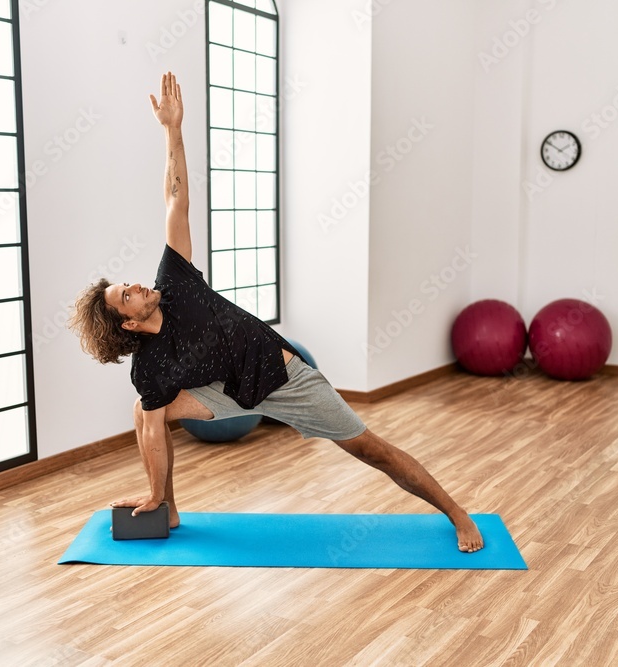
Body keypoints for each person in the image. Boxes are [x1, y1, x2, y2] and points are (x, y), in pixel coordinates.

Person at [68, 72, 483, 552]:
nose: (138, 285)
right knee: (146, 409)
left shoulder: (175, 283)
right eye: (127, 295)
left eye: (129, 284)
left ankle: (457, 515)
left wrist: (172, 130)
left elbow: (176, 200)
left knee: (373, 451)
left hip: (284, 378)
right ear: (131, 323)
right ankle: (169, 507)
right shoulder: (151, 367)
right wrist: (155, 494)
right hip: (226, 392)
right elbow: (156, 433)